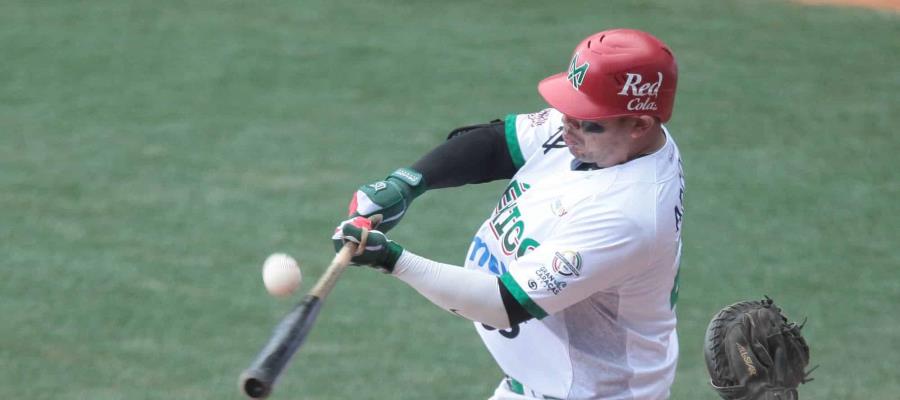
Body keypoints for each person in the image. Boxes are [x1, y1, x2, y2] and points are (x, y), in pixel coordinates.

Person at [332, 28, 685, 400]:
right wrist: (407, 183)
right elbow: (496, 143)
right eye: (569, 108)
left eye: (585, 119)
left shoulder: (629, 215)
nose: (565, 124)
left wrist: (391, 259)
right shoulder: (606, 138)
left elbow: (503, 304)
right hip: (540, 384)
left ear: (640, 125)